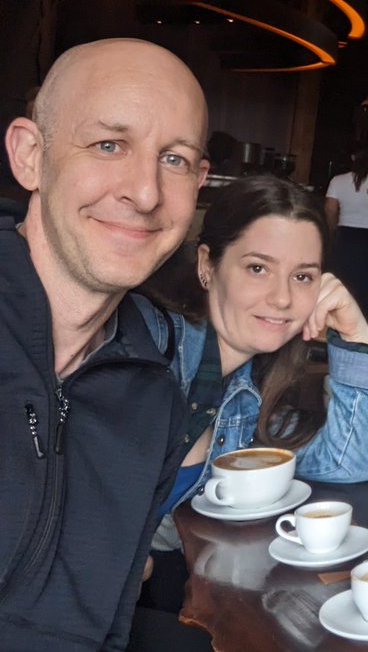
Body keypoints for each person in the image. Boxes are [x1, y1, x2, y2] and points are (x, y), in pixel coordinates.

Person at [1, 38, 209, 650]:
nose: (144, 193)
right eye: (109, 145)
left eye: (173, 160)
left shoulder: (155, 400)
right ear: (30, 156)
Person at [141, 175, 368, 554]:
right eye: (258, 269)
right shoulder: (152, 347)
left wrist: (356, 338)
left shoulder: (251, 383)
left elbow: (346, 464)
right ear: (207, 265)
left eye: (302, 276)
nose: (283, 298)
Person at [324, 143, 368, 324]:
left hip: (345, 237)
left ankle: (334, 326)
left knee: (341, 282)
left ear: (352, 157)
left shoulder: (337, 181)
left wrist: (332, 234)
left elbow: (330, 212)